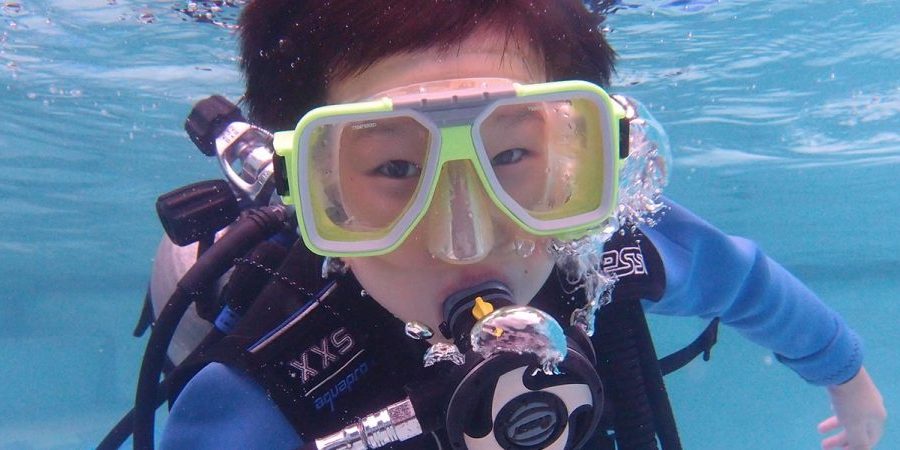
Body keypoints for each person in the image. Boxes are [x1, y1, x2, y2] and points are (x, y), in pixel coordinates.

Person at [159, 0, 886, 449]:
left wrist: (849, 382)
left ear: (580, 155)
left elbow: (744, 282)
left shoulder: (596, 247)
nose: (466, 239)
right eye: (395, 168)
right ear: (310, 188)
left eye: (509, 155)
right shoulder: (270, 370)